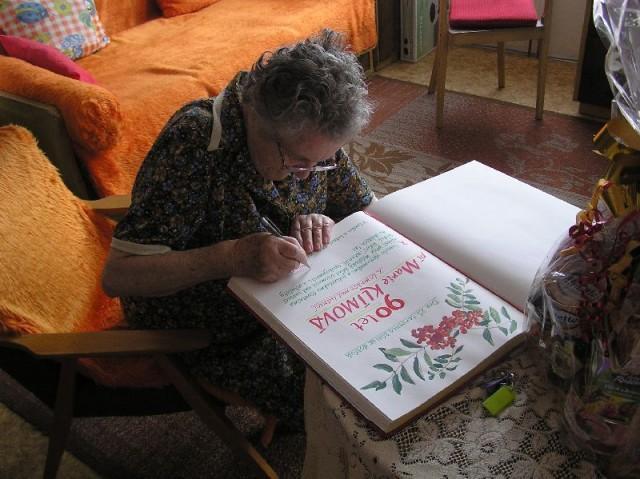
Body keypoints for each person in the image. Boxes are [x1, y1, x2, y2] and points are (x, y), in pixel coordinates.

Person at [101, 28, 375, 432]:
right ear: (257, 119)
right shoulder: (194, 144)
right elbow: (119, 275)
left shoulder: (312, 135)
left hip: (291, 299)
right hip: (213, 326)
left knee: (373, 342)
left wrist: (324, 220)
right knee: (341, 397)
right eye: (298, 162)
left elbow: (361, 207)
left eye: (322, 162)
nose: (308, 175)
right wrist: (230, 257)